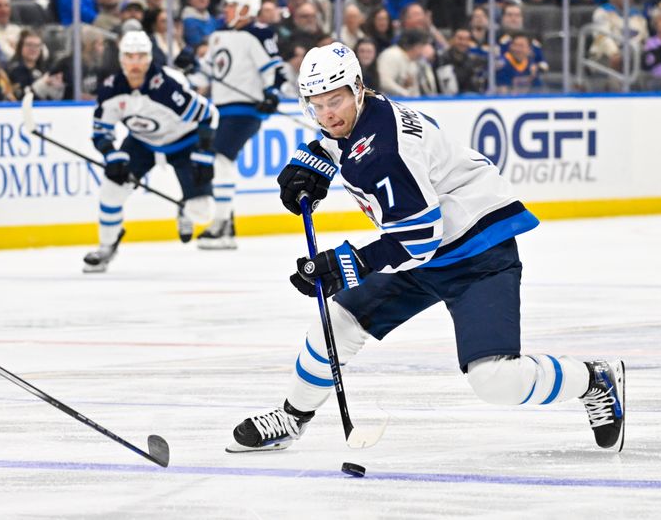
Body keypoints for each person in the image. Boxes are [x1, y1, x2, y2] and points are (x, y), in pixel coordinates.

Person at [225, 42, 626, 454]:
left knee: (496, 381)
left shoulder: (384, 152)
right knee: (337, 323)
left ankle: (594, 379)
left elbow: (418, 239)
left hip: (476, 254)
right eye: (316, 105)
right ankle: (292, 418)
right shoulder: (369, 112)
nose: (328, 114)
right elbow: (339, 143)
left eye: (336, 100)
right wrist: (313, 162)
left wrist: (349, 264)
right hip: (427, 248)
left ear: (357, 89)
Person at [84, 31, 219, 272]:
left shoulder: (167, 87)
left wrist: (204, 157)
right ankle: (106, 246)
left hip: (183, 142)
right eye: (129, 56)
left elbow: (208, 115)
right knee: (111, 192)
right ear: (121, 59)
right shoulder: (111, 88)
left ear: (149, 58)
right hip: (141, 143)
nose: (135, 63)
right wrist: (111, 155)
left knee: (203, 213)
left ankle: (185, 207)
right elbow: (101, 130)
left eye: (141, 56)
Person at [195, 0, 286, 249]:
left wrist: (272, 94)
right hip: (221, 110)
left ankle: (221, 225)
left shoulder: (259, 34)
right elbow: (206, 75)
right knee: (220, 161)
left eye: (232, 6)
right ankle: (227, 225)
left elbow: (275, 71)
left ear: (246, 8)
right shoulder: (217, 37)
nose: (226, 10)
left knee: (221, 159)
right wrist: (189, 69)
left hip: (246, 110)